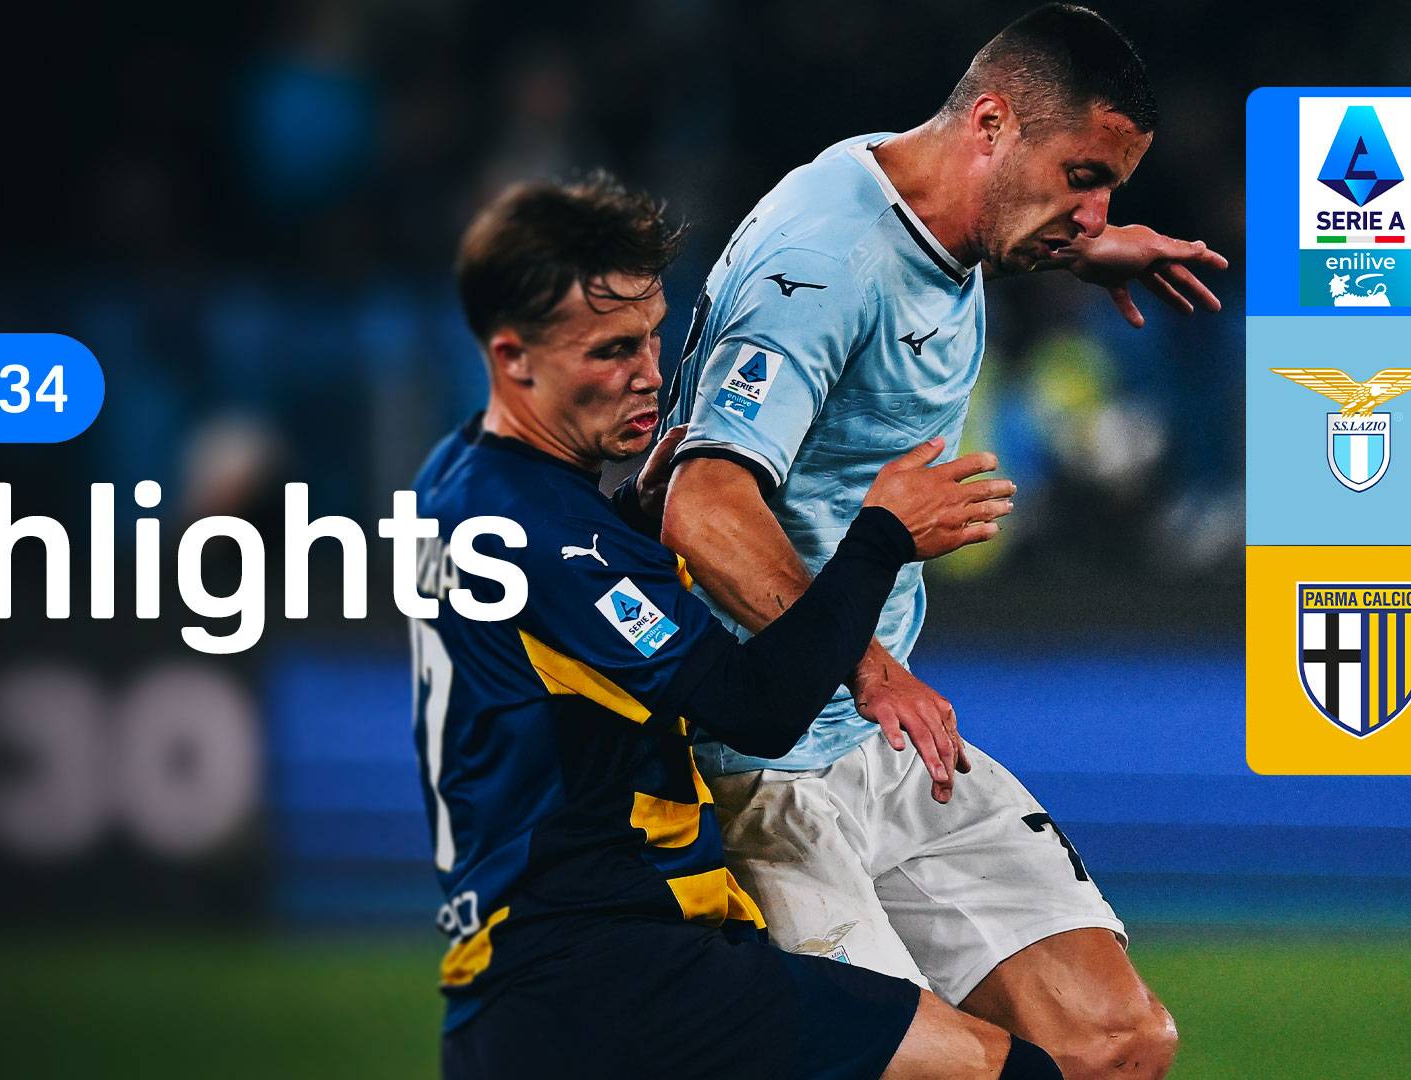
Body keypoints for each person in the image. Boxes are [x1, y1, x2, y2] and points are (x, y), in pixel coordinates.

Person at [659, 7, 1227, 1079]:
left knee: (1115, 1045)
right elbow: (703, 503)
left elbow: (922, 256)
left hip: (884, 747)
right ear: (993, 123)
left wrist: (1080, 247)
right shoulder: (821, 260)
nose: (1096, 210)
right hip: (766, 765)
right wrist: (871, 669)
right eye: (1083, 179)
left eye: (1110, 190)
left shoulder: (923, 199)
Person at [412, 174, 1061, 1079]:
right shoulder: (547, 536)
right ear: (514, 358)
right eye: (611, 350)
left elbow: (557, 641)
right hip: (609, 978)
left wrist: (630, 525)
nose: (650, 373)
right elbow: (758, 709)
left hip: (533, 977)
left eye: (653, 335)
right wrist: (880, 536)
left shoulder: (456, 479)